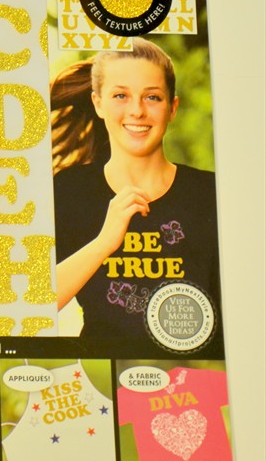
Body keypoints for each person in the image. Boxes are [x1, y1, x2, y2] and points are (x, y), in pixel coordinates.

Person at [51, 38, 222, 353]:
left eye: (152, 97)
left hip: (196, 372)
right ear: (98, 103)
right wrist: (105, 242)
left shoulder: (211, 193)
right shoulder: (69, 191)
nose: (137, 111)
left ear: (172, 107)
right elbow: (31, 308)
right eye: (121, 95)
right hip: (103, 372)